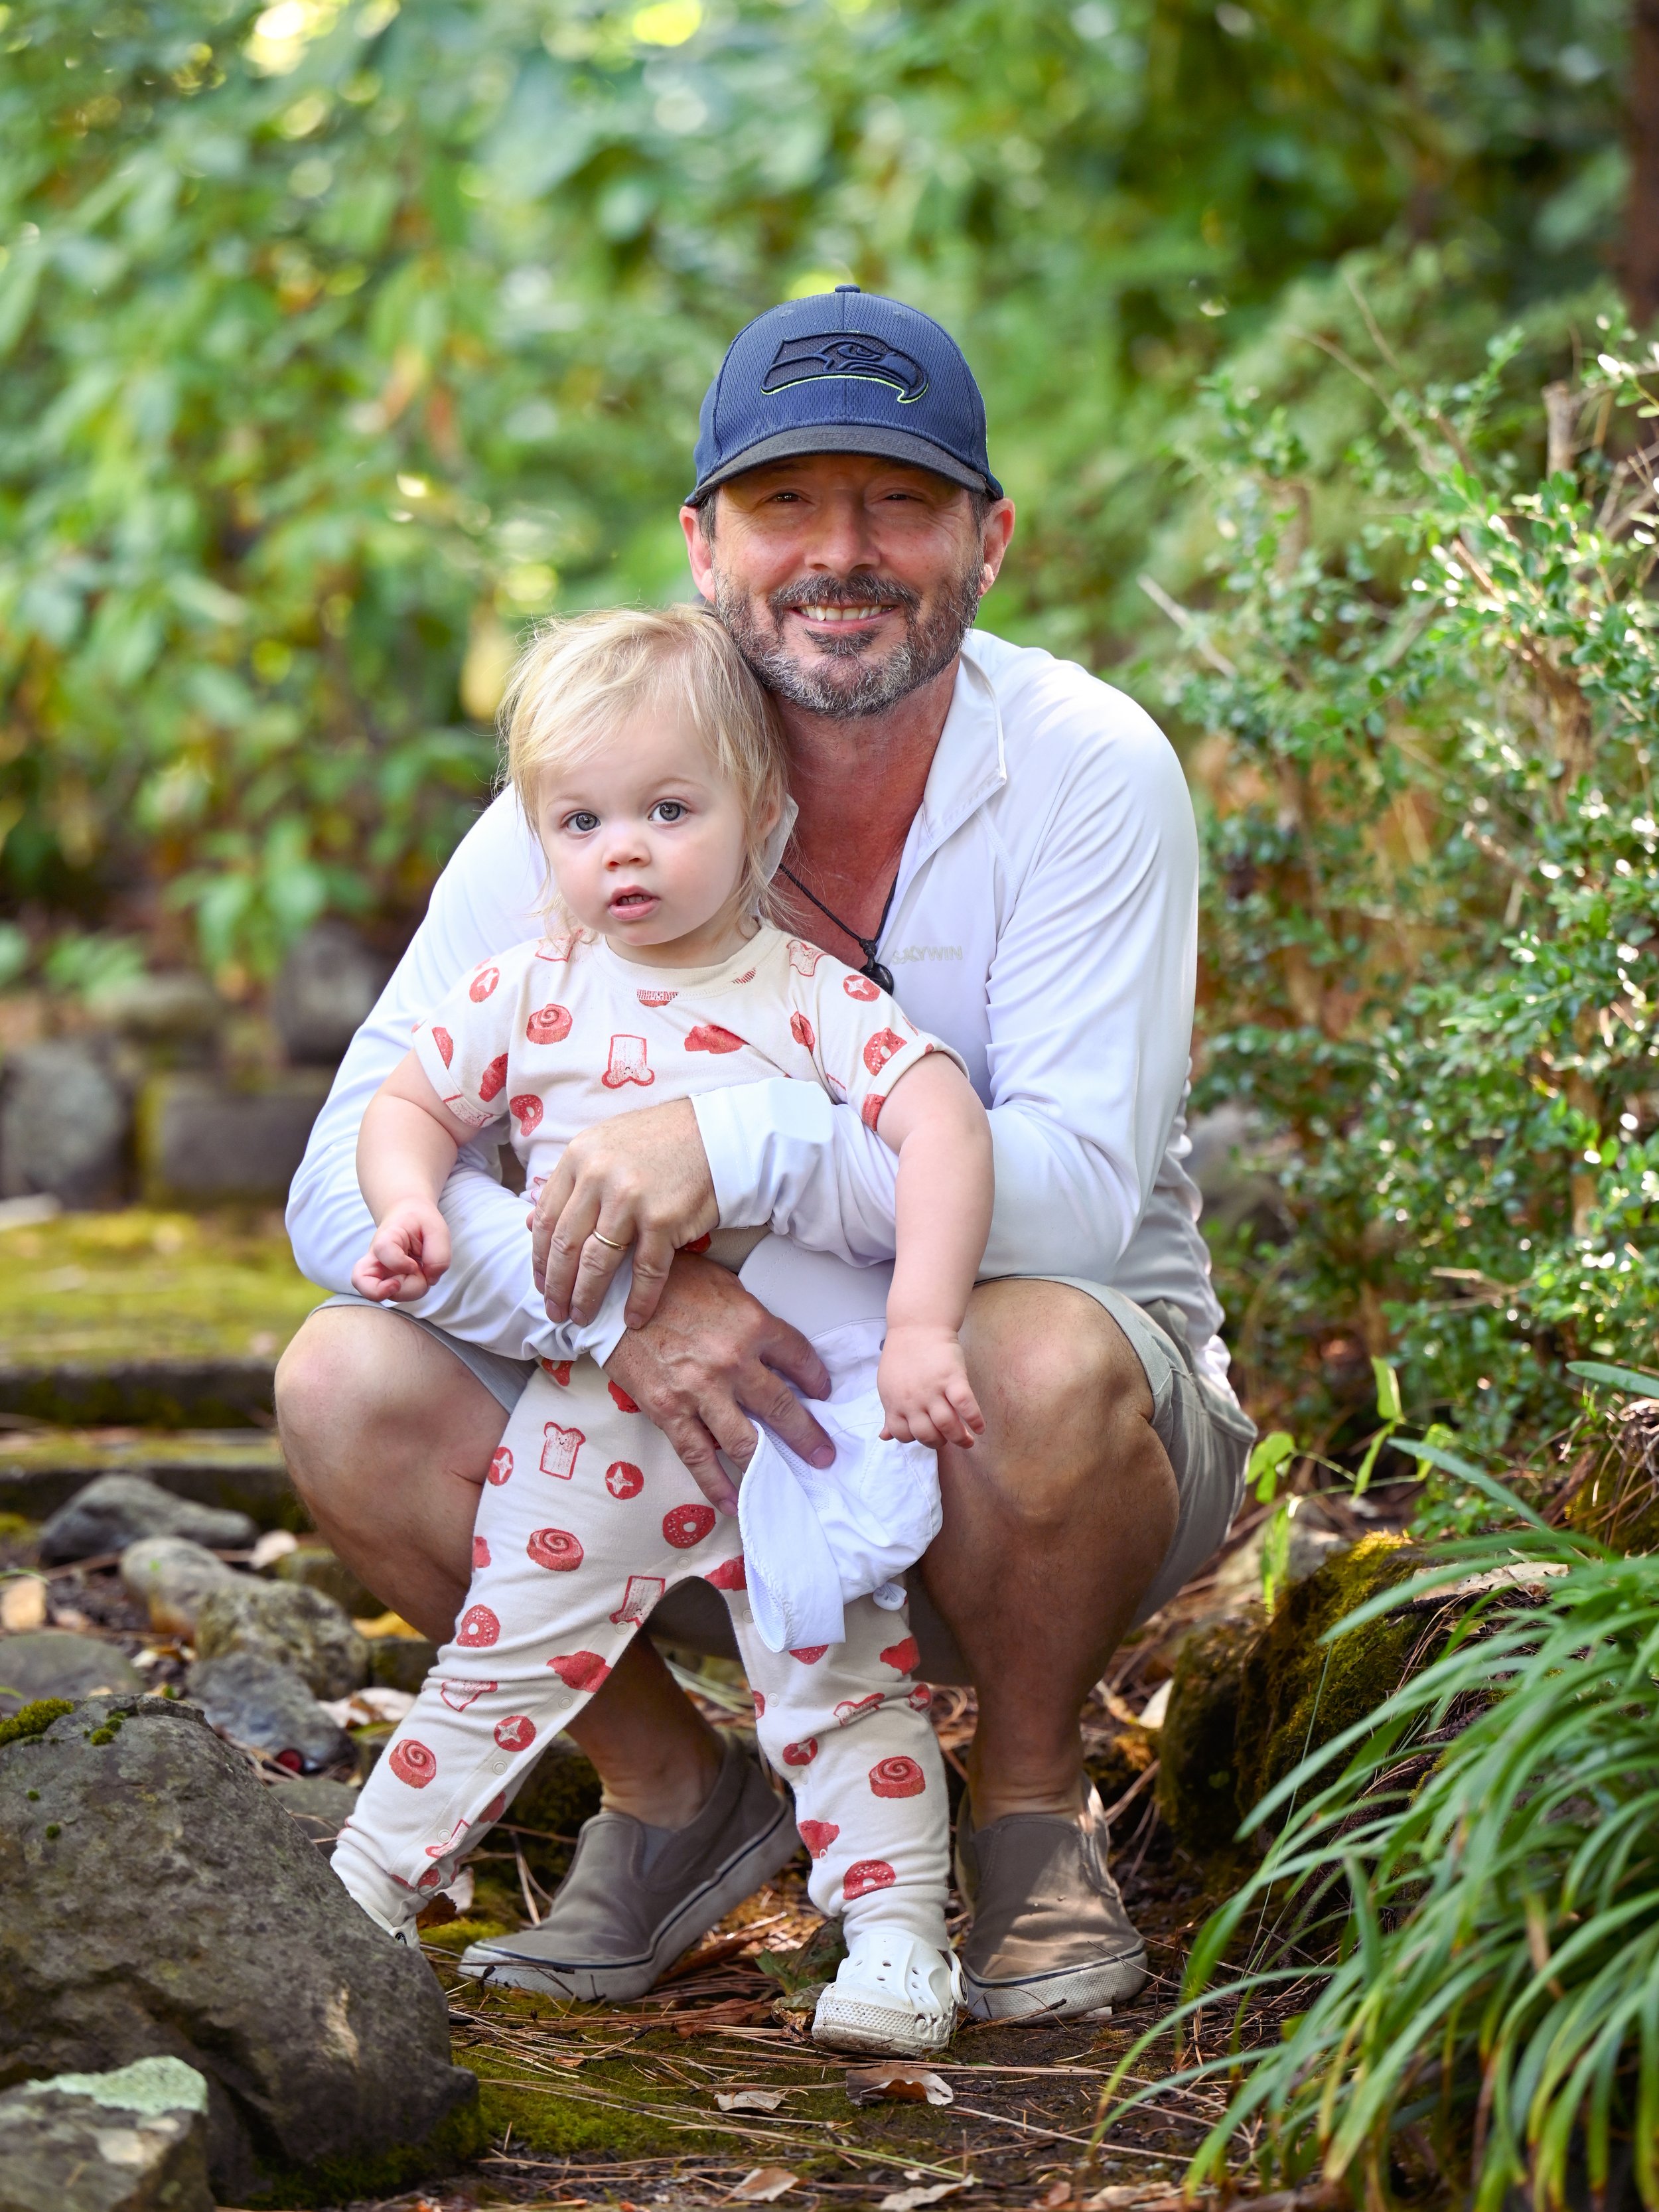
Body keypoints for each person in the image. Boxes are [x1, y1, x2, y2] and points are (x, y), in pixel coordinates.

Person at [281, 285, 1256, 2022]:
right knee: (344, 1379)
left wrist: (739, 1150)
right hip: (655, 1444)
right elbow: (341, 1174)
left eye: (897, 502)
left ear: (987, 539)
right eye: (784, 501)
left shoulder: (1084, 768)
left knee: (1034, 1343)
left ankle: (1028, 1810)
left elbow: (1076, 1197)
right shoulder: (593, 790)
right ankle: (677, 1799)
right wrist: (621, 1305)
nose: (840, 551)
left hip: (1008, 1448)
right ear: (703, 543)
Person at [327, 604, 991, 2058]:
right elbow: (410, 1104)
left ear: (762, 814)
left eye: (668, 811)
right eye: (580, 820)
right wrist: (411, 1205)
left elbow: (942, 1121)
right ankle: (358, 1894)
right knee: (497, 1658)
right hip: (596, 1416)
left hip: (788, 1411)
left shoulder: (807, 995)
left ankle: (896, 1937)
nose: (620, 851)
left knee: (837, 1672)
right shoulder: (529, 985)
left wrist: (922, 1324)